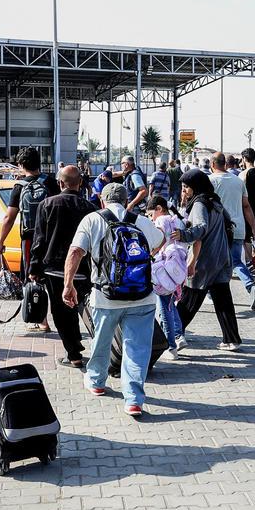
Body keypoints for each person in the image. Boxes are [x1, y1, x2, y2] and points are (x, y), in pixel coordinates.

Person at [61, 183, 164, 417]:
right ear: (127, 200)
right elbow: (160, 241)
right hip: (142, 296)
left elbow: (75, 252)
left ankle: (96, 381)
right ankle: (134, 401)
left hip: (105, 296)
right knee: (136, 349)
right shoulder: (141, 221)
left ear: (102, 200)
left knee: (102, 340)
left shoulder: (92, 220)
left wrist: (68, 285)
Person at [28, 166, 98, 368]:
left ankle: (74, 354)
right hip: (82, 270)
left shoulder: (47, 204)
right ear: (81, 184)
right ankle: (88, 347)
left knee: (61, 312)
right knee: (82, 310)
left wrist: (33, 268)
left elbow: (39, 240)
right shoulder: (90, 208)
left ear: (60, 183)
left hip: (54, 269)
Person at [171, 169, 242, 350]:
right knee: (223, 302)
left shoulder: (200, 204)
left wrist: (183, 235)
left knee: (189, 300)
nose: (184, 190)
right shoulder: (214, 201)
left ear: (196, 187)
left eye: (186, 187)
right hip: (221, 257)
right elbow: (227, 223)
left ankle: (172, 336)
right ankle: (231, 340)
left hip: (204, 259)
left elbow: (201, 228)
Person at [0, 147, 60, 331]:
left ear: (21, 165)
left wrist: (0, 242)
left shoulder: (19, 186)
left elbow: (9, 217)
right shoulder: (51, 183)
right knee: (53, 277)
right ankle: (59, 320)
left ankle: (43, 321)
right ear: (39, 163)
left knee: (33, 278)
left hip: (30, 239)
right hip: (52, 237)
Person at [207, 152, 255, 309]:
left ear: (212, 164)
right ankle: (251, 287)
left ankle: (210, 293)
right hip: (238, 228)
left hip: (218, 230)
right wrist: (253, 228)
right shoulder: (238, 181)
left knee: (211, 262)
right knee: (236, 261)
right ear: (225, 164)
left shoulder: (210, 181)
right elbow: (246, 206)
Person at [147, 195, 187, 357]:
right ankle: (178, 336)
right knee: (170, 304)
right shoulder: (177, 220)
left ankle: (171, 346)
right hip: (178, 269)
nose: (151, 218)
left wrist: (152, 252)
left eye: (150, 214)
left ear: (159, 209)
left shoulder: (161, 220)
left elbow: (160, 239)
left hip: (163, 271)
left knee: (163, 307)